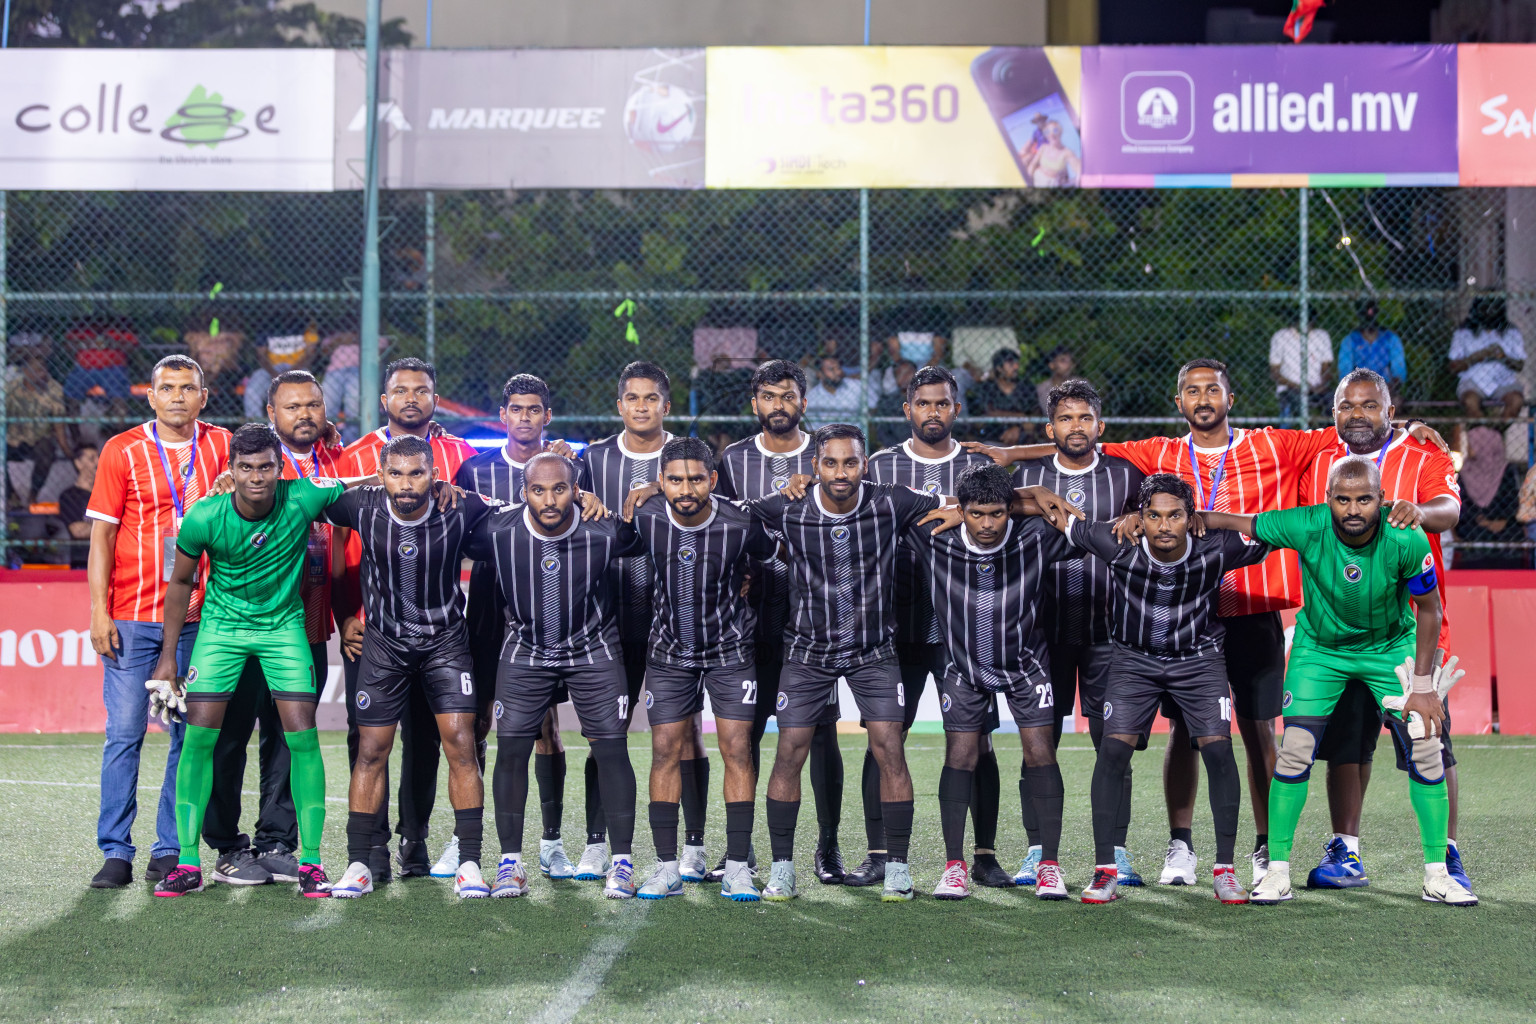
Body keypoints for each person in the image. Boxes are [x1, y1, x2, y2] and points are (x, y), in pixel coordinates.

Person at [966, 358, 1445, 888]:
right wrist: (1013, 455)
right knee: (1186, 735)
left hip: (1253, 603)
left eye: (1212, 389)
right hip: (1186, 614)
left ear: (1229, 397)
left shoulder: (1275, 443)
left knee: (1260, 730)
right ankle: (1180, 845)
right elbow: (1083, 446)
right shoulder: (1163, 451)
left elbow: (1353, 433)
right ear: (1180, 403)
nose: (1202, 399)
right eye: (1191, 391)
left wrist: (1403, 430)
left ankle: (1265, 849)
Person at [1205, 457, 1476, 907]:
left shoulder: (1406, 536)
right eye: (1343, 499)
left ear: (1381, 500)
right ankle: (1276, 873)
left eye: (1364, 499)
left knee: (1426, 745)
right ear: (1327, 499)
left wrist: (1424, 684)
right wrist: (1196, 517)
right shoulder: (1307, 523)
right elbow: (1244, 523)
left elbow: (1430, 609)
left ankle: (1437, 874)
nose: (1353, 509)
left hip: (1390, 649)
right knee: (1293, 752)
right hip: (1320, 651)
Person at [740, 424, 944, 903]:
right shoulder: (788, 507)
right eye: (829, 463)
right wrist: (648, 491)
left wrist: (1032, 494)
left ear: (864, 465)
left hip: (875, 649)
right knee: (790, 749)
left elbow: (968, 505)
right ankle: (783, 869)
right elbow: (727, 512)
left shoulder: (891, 501)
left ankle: (896, 867)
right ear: (815, 467)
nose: (840, 472)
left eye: (850, 462)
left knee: (889, 745)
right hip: (808, 650)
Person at [148, 424, 351, 897]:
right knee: (200, 740)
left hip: (284, 630)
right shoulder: (204, 516)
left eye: (265, 467)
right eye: (246, 468)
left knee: (303, 739)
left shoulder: (302, 498)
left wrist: (429, 483)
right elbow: (180, 585)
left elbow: (368, 485)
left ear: (280, 469)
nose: (256, 477)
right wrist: (166, 659)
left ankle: (312, 863)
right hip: (221, 632)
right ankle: (189, 862)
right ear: (231, 470)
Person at [1061, 475, 1270, 906]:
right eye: (1153, 515)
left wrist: (1214, 518)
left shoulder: (1218, 547)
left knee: (1217, 750)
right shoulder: (1116, 542)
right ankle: (1105, 871)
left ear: (1189, 518)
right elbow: (1060, 519)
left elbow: (1272, 529)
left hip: (1199, 661)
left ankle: (1225, 870)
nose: (1164, 526)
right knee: (1113, 752)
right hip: (1133, 662)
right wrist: (1036, 495)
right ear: (1140, 517)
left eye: (1175, 515)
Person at [1298, 369, 1467, 893]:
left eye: (1370, 405)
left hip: (1406, 632)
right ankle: (1345, 851)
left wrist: (1422, 511)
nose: (1358, 415)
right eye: (1347, 406)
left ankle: (1446, 856)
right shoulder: (1318, 456)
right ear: (1333, 414)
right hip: (1339, 631)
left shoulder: (1423, 455)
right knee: (1347, 744)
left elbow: (1451, 508)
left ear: (1390, 411)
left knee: (1427, 739)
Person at [326, 436, 498, 899]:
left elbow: (527, 505)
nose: (406, 484)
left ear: (434, 474)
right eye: (396, 474)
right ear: (380, 475)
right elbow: (297, 493)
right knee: (370, 749)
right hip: (383, 647)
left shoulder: (462, 507)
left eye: (417, 473)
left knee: (462, 745)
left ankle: (469, 864)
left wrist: (581, 495)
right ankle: (360, 863)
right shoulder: (360, 503)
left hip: (446, 645)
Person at [466, 453, 645, 900]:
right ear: (523, 492)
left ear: (577, 490)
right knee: (510, 751)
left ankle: (621, 862)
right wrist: (442, 488)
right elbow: (450, 519)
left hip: (593, 651)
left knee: (611, 749)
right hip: (525, 652)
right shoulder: (497, 531)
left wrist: (655, 488)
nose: (549, 499)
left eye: (560, 489)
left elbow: (656, 529)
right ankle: (510, 863)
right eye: (538, 490)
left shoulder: (605, 531)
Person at [83, 355, 232, 889]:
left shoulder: (222, 446)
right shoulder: (122, 450)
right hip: (133, 616)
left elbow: (271, 463)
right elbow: (100, 537)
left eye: (186, 388)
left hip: (201, 617)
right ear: (150, 396)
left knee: (187, 736)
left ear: (203, 395)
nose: (176, 397)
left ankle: (170, 846)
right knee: (124, 734)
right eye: (166, 388)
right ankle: (116, 850)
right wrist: (98, 610)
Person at [199, 370, 346, 887]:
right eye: (292, 406)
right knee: (228, 735)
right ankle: (224, 843)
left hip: (308, 620)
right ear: (271, 415)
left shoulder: (341, 457)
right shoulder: (240, 466)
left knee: (289, 738)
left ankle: (278, 841)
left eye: (313, 404)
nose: (304, 414)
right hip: (239, 625)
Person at [906, 465, 1080, 900]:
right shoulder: (935, 536)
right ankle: (953, 867)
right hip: (963, 668)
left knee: (1040, 752)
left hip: (1025, 664)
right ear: (961, 510)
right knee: (960, 754)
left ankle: (1049, 866)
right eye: (976, 513)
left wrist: (1030, 496)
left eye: (998, 513)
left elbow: (1083, 523)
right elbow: (878, 505)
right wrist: (946, 507)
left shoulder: (1037, 537)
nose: (987, 524)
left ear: (1011, 511)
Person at [864, 366, 1006, 890]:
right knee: (885, 738)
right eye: (922, 404)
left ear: (956, 409)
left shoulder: (978, 465)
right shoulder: (879, 466)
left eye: (942, 403)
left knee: (977, 743)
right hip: (894, 624)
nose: (932, 412)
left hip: (964, 629)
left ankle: (984, 855)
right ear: (907, 410)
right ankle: (880, 853)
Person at [336, 357, 475, 879]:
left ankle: (413, 838)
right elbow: (337, 543)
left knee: (427, 737)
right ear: (384, 399)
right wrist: (346, 612)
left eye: (422, 390)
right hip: (373, 625)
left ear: (435, 399)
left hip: (440, 624)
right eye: (401, 390)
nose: (411, 398)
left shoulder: (460, 454)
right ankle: (368, 849)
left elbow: (497, 504)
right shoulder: (355, 456)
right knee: (367, 735)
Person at [621, 438, 778, 901]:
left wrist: (764, 611)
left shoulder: (741, 521)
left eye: (695, 479)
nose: (685, 489)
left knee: (737, 750)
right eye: (674, 479)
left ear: (712, 479)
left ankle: (736, 867)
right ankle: (667, 867)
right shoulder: (646, 516)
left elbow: (777, 564)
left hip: (731, 651)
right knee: (666, 749)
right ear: (660, 482)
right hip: (669, 653)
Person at [577, 362, 710, 884]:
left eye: (651, 398)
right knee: (606, 735)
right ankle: (595, 844)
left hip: (675, 618)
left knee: (685, 738)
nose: (641, 407)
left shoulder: (687, 458)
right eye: (631, 398)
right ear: (619, 406)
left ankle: (694, 847)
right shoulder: (593, 459)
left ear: (666, 406)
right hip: (607, 615)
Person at [714, 360, 846, 886]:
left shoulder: (829, 456)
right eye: (768, 396)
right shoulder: (733, 458)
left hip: (815, 612)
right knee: (743, 733)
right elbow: (722, 523)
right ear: (755, 404)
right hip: (750, 615)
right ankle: (738, 850)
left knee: (820, 734)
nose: (778, 404)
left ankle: (829, 846)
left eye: (787, 395)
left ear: (804, 403)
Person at [1014, 379, 1145, 888]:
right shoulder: (1027, 478)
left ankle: (1115, 850)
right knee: (1037, 743)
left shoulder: (1125, 477)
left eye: (1085, 418)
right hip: (1038, 632)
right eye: (1066, 419)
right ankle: (1038, 852)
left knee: (1111, 744)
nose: (1076, 427)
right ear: (1051, 428)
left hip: (1109, 631)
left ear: (1100, 426)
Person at [455, 374, 581, 881]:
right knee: (479, 725)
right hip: (487, 614)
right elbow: (456, 538)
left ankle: (550, 842)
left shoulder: (566, 468)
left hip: (547, 616)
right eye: (516, 409)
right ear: (502, 416)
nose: (525, 417)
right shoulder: (474, 470)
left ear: (546, 416)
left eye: (534, 409)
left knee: (546, 728)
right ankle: (468, 841)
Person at [1454, 426, 1526, 569]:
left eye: (1472, 443)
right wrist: (1484, 522)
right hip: (1475, 531)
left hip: (1504, 532)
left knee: (1509, 539)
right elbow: (1461, 505)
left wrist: (1503, 521)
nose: (1469, 448)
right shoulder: (1465, 471)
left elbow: (1513, 502)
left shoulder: (1506, 470)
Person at [6, 352, 73, 505]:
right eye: (37, 370)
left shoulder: (54, 388)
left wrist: (65, 447)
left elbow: (58, 421)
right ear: (25, 371)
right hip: (14, 439)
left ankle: (33, 494)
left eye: (44, 370)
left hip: (39, 438)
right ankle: (11, 496)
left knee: (47, 451)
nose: (42, 374)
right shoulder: (12, 388)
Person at [1449, 298, 1526, 420]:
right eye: (1485, 308)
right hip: (1473, 381)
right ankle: (1483, 429)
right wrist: (1476, 357)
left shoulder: (1511, 331)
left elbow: (1519, 365)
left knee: (1516, 401)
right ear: (1476, 309)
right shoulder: (1463, 332)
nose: (1489, 312)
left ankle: (1497, 430)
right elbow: (1453, 367)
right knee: (1470, 402)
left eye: (1494, 307)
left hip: (1504, 382)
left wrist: (1503, 357)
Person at [1336, 301, 1407, 401]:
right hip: (1358, 390)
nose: (1369, 319)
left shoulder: (1390, 339)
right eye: (1365, 315)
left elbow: (1399, 372)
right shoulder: (1350, 340)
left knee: (1396, 402)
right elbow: (1344, 373)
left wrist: (1387, 388)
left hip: (1385, 390)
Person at [1269, 323, 1334, 422]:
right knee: (1295, 402)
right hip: (1290, 388)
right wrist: (1299, 386)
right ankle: (1292, 433)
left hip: (1317, 388)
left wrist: (1321, 385)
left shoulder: (1321, 336)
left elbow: (1326, 369)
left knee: (1334, 401)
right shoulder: (1281, 336)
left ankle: (1329, 434)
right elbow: (1275, 372)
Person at [970, 349, 1034, 446]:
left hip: (1021, 439)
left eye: (1017, 363)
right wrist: (1020, 416)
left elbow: (1033, 421)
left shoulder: (1026, 388)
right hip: (990, 439)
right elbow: (980, 421)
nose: (1016, 367)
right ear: (999, 368)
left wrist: (1018, 428)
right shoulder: (986, 388)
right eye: (1011, 364)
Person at [58, 443, 99, 567]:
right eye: (92, 459)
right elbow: (78, 531)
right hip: (84, 561)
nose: (98, 462)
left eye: (99, 458)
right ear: (78, 463)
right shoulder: (69, 496)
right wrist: (113, 525)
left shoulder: (108, 492)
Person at [871, 360, 917, 450]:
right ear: (895, 379)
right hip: (897, 448)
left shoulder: (929, 399)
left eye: (908, 372)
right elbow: (882, 431)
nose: (905, 377)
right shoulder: (887, 402)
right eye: (900, 373)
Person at [805, 355, 866, 420]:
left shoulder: (856, 386)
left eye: (838, 368)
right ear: (820, 374)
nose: (837, 372)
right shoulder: (812, 397)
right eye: (831, 369)